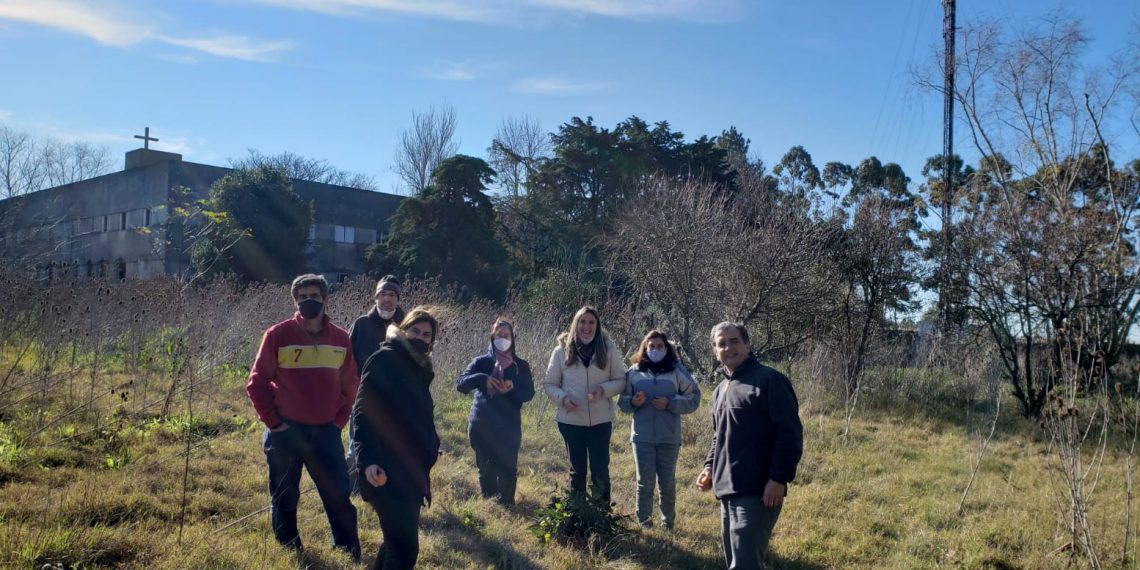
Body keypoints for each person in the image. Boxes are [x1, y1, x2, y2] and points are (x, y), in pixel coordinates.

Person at [246, 274, 361, 559]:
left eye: (314, 296)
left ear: (325, 299)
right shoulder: (278, 335)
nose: (309, 301)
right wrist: (274, 423)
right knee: (284, 496)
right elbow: (256, 383)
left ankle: (347, 551)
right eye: (303, 297)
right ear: (295, 301)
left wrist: (338, 422)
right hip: (286, 433)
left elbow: (351, 386)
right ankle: (290, 550)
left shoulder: (340, 338)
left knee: (338, 496)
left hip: (326, 432)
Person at [696, 322, 803, 570]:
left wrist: (778, 478)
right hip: (726, 489)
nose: (728, 348)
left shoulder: (769, 380)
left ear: (747, 344)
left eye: (734, 341)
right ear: (715, 351)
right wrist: (710, 467)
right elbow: (718, 436)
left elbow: (790, 433)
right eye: (721, 344)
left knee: (745, 564)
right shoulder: (720, 390)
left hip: (758, 490)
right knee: (735, 561)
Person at [351, 306, 441, 570]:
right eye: (415, 330)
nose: (420, 337)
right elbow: (362, 413)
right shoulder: (385, 359)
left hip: (411, 473)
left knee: (395, 544)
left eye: (426, 335)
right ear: (403, 330)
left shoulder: (420, 367)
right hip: (385, 469)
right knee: (405, 550)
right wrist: (367, 461)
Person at [542, 306, 626, 503]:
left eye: (591, 322)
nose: (586, 327)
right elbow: (549, 384)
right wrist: (563, 398)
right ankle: (577, 513)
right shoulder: (561, 351)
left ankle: (601, 515)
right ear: (575, 324)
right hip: (571, 422)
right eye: (582, 322)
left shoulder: (608, 349)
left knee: (600, 471)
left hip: (601, 421)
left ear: (597, 326)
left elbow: (621, 381)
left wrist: (604, 390)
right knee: (577, 471)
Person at [618, 330, 700, 530]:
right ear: (645, 348)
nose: (655, 349)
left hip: (669, 438)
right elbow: (622, 402)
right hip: (642, 438)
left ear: (666, 349)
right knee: (644, 483)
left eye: (660, 346)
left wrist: (670, 403)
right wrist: (634, 402)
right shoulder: (634, 372)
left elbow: (694, 398)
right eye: (651, 346)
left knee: (667, 484)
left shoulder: (677, 371)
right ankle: (644, 523)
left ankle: (668, 525)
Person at [455, 318, 535, 507]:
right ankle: (490, 507)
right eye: (499, 335)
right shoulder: (481, 362)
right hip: (482, 424)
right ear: (492, 337)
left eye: (506, 335)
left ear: (512, 338)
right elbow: (461, 384)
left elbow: (529, 393)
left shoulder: (520, 366)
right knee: (486, 469)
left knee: (508, 469)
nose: (502, 339)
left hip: (509, 427)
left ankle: (507, 507)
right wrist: (483, 379)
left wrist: (512, 386)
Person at [346, 275, 406, 489]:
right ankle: (353, 488)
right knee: (357, 445)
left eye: (392, 295)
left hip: (397, 401)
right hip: (364, 397)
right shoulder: (361, 324)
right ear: (375, 298)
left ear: (398, 299)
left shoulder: (407, 325)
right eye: (383, 295)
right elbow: (348, 359)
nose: (387, 300)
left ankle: (385, 487)